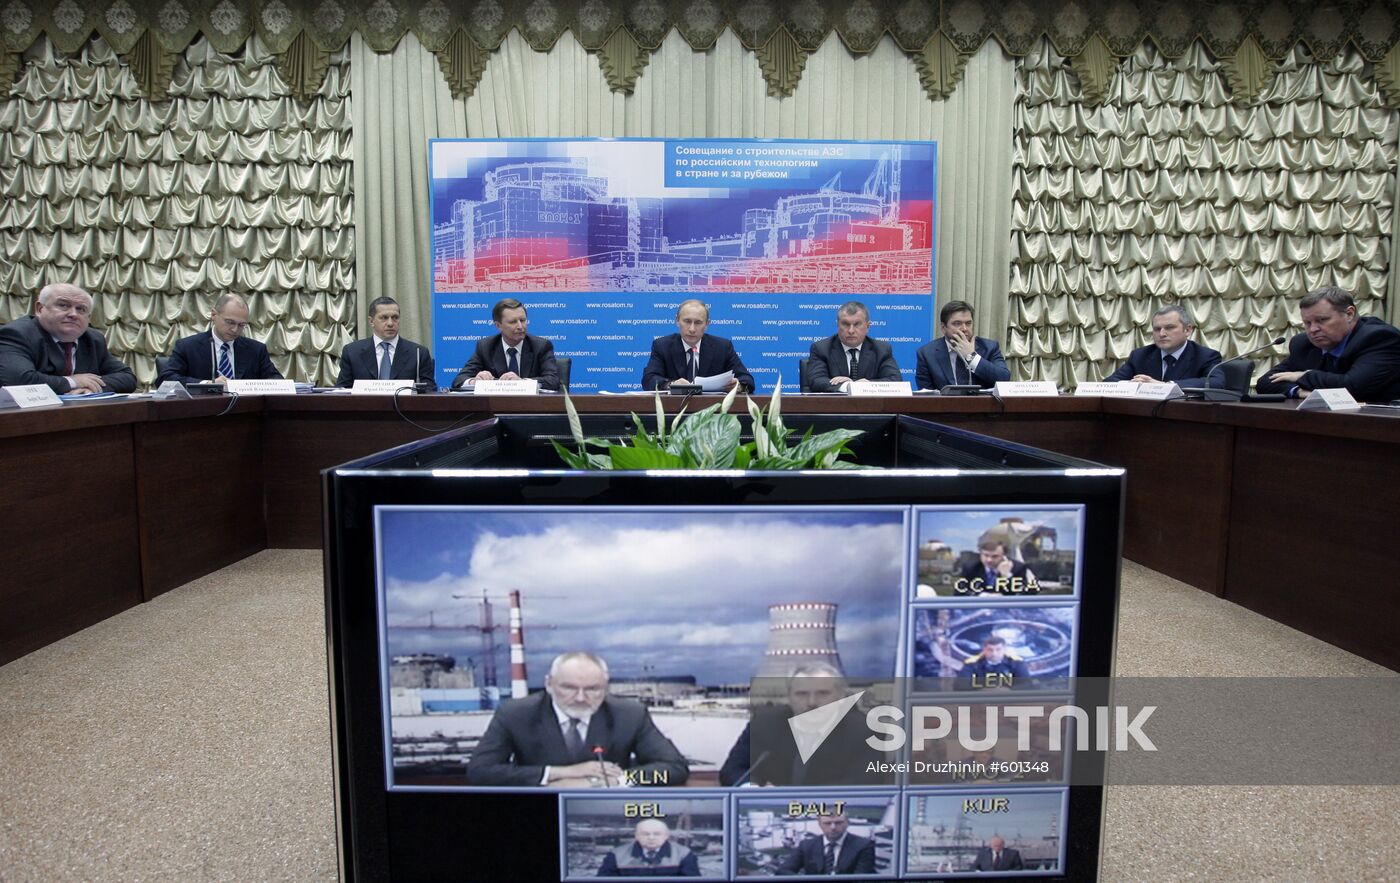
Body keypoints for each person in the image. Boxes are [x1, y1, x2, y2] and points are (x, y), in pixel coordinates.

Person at [466, 651, 688, 788]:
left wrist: (615, 781)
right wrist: (561, 774)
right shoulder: (516, 714)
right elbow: (480, 772)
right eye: (569, 688)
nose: (581, 698)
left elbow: (674, 769)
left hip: (606, 811)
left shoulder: (630, 714)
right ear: (549, 684)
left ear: (605, 687)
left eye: (592, 689)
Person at [718, 664, 892, 787]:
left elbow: (863, 783)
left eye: (823, 694)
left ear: (841, 696)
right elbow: (732, 771)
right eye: (801, 694)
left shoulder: (865, 731)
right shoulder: (765, 724)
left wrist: (783, 796)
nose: (811, 702)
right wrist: (754, 790)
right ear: (789, 697)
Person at [1256, 287, 1400, 401]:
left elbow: (1353, 387)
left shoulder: (1379, 338)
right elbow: (1265, 382)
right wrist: (1299, 392)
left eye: (1322, 320)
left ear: (1349, 314)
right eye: (1307, 323)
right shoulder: (1304, 343)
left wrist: (1303, 376)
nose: (1313, 329)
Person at [0, 283, 135, 393]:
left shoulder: (93, 339)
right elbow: (18, 380)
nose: (73, 314)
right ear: (40, 309)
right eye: (63, 305)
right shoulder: (16, 334)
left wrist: (89, 389)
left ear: (88, 318)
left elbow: (127, 377)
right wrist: (73, 382)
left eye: (81, 309)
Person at [159, 293, 283, 384]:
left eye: (241, 325)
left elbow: (277, 381)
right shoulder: (187, 347)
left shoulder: (256, 350)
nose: (235, 329)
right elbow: (165, 379)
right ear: (214, 315)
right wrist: (206, 384)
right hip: (202, 414)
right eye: (230, 322)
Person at [641, 299, 753, 392]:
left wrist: (739, 386)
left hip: (711, 412)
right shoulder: (662, 346)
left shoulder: (722, 347)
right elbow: (649, 380)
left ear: (707, 324)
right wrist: (671, 384)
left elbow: (747, 379)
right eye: (687, 321)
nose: (692, 329)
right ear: (677, 321)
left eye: (698, 323)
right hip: (673, 412)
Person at [452, 297, 560, 390]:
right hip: (495, 409)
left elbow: (553, 381)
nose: (520, 326)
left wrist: (522, 382)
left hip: (531, 408)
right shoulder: (486, 346)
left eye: (522, 320)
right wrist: (474, 381)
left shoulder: (541, 346)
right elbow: (458, 381)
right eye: (513, 322)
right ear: (498, 325)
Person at [1104, 304, 1221, 386]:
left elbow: (1216, 382)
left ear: (1187, 330)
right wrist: (1133, 385)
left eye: (1169, 328)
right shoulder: (1140, 355)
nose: (1162, 334)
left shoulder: (1206, 356)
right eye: (1157, 329)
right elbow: (1110, 382)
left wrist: (1165, 386)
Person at [334, 297, 435, 387]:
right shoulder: (352, 352)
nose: (390, 323)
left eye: (395, 317)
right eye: (384, 318)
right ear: (371, 321)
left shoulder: (418, 353)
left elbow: (429, 391)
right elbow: (342, 391)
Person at [806, 301, 902, 392]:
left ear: (868, 326)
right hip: (835, 407)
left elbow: (895, 380)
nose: (851, 331)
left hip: (871, 407)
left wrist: (869, 385)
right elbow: (816, 380)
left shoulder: (881, 349)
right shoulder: (821, 348)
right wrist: (847, 386)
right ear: (837, 325)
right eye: (845, 324)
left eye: (857, 324)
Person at [915, 300, 1011, 390]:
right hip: (944, 407)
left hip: (981, 407)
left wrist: (972, 357)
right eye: (957, 323)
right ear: (943, 328)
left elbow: (1004, 379)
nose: (964, 328)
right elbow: (926, 396)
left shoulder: (989, 348)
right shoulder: (927, 354)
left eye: (968, 323)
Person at [776, 812, 876, 876]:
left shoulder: (863, 845)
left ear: (847, 823)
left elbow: (862, 877)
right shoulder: (806, 845)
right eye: (827, 823)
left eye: (838, 823)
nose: (833, 827)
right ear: (819, 824)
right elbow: (783, 871)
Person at [596, 818, 700, 877]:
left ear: (666, 836)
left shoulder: (683, 854)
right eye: (645, 834)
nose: (651, 838)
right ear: (636, 836)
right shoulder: (616, 855)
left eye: (657, 834)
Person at [956, 538, 1038, 595]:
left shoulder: (1017, 568)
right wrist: (982, 596)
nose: (989, 560)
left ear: (1003, 555)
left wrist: (1006, 576)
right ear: (980, 554)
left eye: (994, 556)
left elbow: (1023, 595)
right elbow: (959, 593)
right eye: (985, 555)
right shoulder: (971, 567)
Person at [958, 636, 1030, 690]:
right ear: (984, 650)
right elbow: (960, 686)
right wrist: (984, 691)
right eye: (990, 650)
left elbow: (1026, 685)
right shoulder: (972, 664)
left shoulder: (1016, 662)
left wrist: (1008, 691)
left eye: (998, 649)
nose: (994, 653)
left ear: (1004, 649)